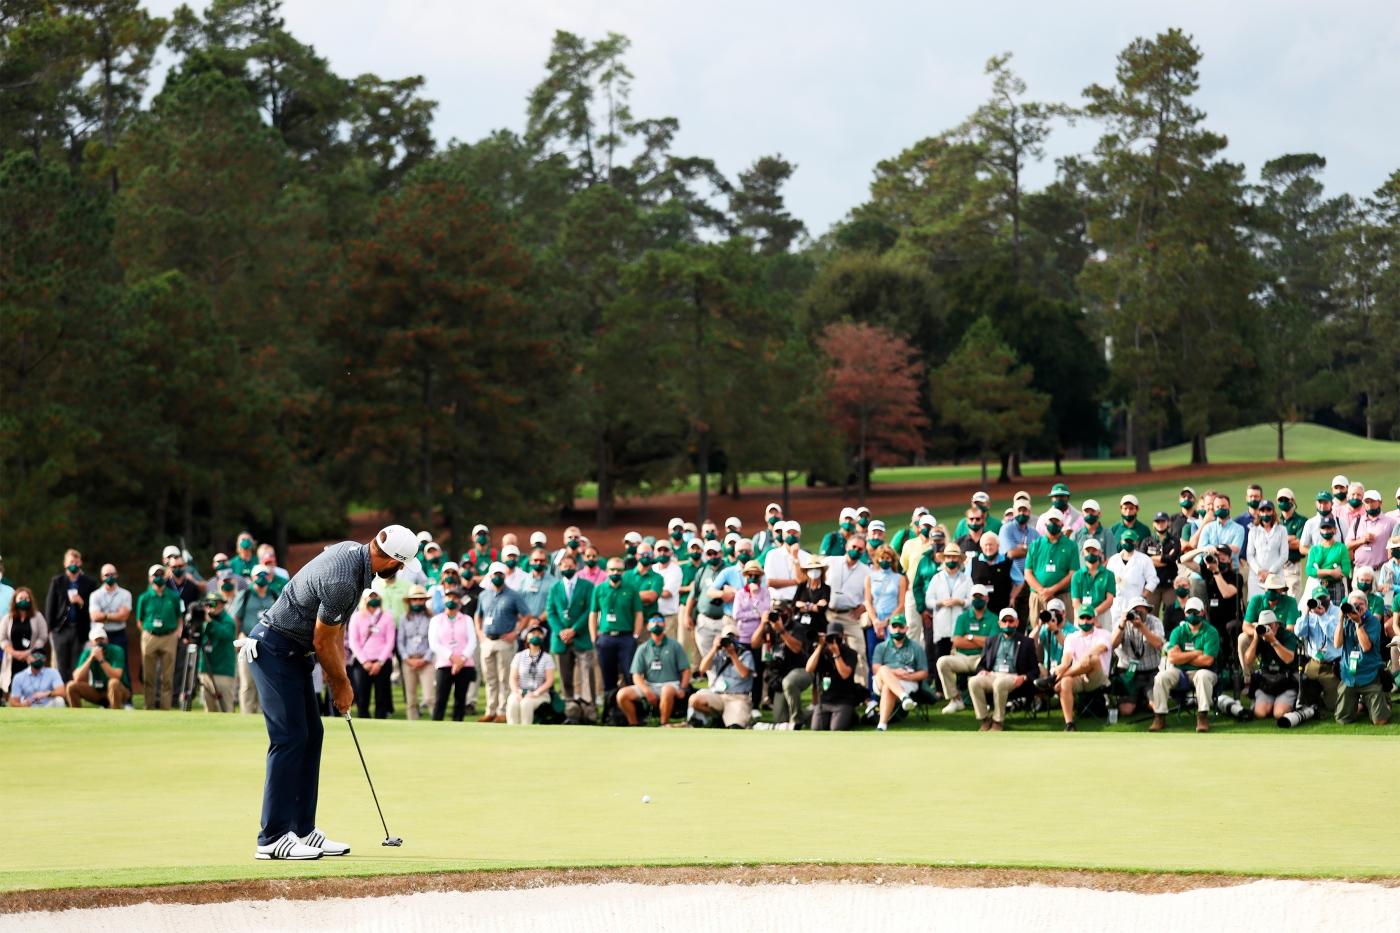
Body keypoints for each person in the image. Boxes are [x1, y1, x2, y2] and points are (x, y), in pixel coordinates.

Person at [242, 524, 413, 860]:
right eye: (402, 564)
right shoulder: (343, 580)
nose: (401, 571)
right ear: (392, 560)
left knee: (311, 735)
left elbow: (331, 634)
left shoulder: (353, 553)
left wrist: (341, 678)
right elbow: (323, 640)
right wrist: (342, 684)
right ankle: (273, 837)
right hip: (274, 650)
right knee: (289, 739)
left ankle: (302, 830)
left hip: (291, 652)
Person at [1150, 596, 1220, 733]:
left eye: (1195, 612)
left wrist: (1182, 656)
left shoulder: (1211, 632)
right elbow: (1171, 657)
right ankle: (1159, 716)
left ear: (1202, 612)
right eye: (1189, 612)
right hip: (1180, 672)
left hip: (1205, 671)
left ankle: (1202, 716)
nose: (1192, 615)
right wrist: (1195, 653)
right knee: (1161, 677)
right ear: (1185, 613)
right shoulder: (1178, 631)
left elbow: (1208, 661)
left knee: (1202, 675)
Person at [476, 561, 529, 723]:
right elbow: (478, 616)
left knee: (504, 678)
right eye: (495, 575)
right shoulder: (483, 595)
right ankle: (490, 710)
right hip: (487, 641)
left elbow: (526, 615)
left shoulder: (513, 595)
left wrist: (517, 632)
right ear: (490, 576)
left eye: (500, 574)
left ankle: (503, 710)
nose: (497, 577)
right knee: (490, 678)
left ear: (504, 576)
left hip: (505, 641)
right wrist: (480, 634)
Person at [969, 608, 1037, 731]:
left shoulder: (1026, 642)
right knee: (973, 682)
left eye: (1011, 621)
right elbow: (981, 664)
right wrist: (982, 671)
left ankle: (997, 721)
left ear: (1016, 623)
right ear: (1000, 623)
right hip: (993, 674)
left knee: (1000, 683)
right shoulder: (991, 641)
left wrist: (1024, 677)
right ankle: (984, 719)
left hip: (1013, 676)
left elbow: (1034, 669)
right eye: (1004, 621)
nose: (1007, 624)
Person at [618, 615, 691, 726]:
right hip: (650, 685)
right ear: (648, 626)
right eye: (653, 621)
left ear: (664, 624)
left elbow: (686, 670)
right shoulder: (643, 648)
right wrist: (646, 690)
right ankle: (634, 725)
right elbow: (636, 675)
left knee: (667, 690)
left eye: (659, 621)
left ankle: (663, 723)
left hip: (671, 685)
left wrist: (683, 688)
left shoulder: (675, 646)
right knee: (622, 694)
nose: (656, 623)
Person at [548, 551, 597, 714]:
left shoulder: (587, 586)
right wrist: (560, 631)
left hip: (581, 637)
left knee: (586, 675)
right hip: (561, 639)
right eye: (564, 566)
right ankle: (570, 710)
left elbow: (590, 610)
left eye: (570, 566)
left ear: (576, 566)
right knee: (565, 677)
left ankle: (589, 709)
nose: (567, 568)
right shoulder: (554, 588)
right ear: (559, 567)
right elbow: (551, 612)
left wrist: (574, 630)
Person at [936, 579, 994, 714]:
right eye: (975, 597)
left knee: (988, 668)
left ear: (987, 598)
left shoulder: (993, 618)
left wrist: (969, 637)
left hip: (981, 657)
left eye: (981, 597)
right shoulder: (963, 617)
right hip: (962, 657)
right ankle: (955, 700)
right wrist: (979, 640)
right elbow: (957, 641)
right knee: (943, 662)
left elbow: (991, 643)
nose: (978, 599)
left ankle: (983, 703)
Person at [751, 606, 814, 729]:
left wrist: (781, 631)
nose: (778, 616)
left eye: (781, 612)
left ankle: (796, 722)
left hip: (801, 671)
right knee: (780, 718)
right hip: (781, 676)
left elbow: (797, 648)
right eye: (775, 613)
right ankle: (813, 715)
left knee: (789, 682)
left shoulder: (797, 628)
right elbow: (754, 644)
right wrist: (762, 624)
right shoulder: (769, 628)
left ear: (789, 613)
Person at [1053, 605, 1114, 731]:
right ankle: (1069, 724)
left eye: (1088, 618)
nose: (1085, 621)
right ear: (1078, 619)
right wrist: (1063, 666)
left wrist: (1088, 655)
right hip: (1078, 676)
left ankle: (1054, 679)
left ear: (1094, 619)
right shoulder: (1071, 637)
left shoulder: (1104, 634)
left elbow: (1101, 648)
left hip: (1098, 677)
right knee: (1066, 681)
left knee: (1093, 659)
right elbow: (1067, 658)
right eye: (1082, 618)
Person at [1334, 592, 1389, 725]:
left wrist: (1358, 623)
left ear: (1367, 606)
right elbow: (1337, 644)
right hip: (1350, 675)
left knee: (1380, 721)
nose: (1357, 607)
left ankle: (1384, 702)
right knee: (1343, 720)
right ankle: (1362, 704)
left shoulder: (1373, 621)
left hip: (1370, 674)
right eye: (1354, 604)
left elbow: (1366, 647)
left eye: (1361, 604)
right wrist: (1341, 618)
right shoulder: (1346, 620)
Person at [44, 549, 98, 682]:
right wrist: (51, 629)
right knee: (61, 666)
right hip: (61, 630)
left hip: (80, 630)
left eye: (76, 561)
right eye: (70, 562)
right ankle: (63, 698)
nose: (73, 564)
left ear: (80, 563)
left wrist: (81, 603)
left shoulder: (89, 582)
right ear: (65, 564)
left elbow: (93, 609)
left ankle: (72, 696)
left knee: (76, 665)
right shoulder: (57, 581)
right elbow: (50, 607)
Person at [926, 544, 972, 701]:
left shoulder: (966, 579)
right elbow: (928, 600)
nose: (951, 560)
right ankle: (941, 690)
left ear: (959, 560)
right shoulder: (936, 578)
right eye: (948, 557)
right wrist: (940, 603)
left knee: (960, 658)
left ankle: (962, 689)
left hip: (960, 624)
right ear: (944, 559)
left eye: (954, 557)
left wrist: (960, 602)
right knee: (941, 656)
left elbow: (971, 600)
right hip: (942, 623)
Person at [229, 568, 278, 715]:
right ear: (252, 577)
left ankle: (267, 715)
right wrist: (237, 637)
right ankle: (247, 715)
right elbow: (236, 618)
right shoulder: (246, 594)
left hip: (268, 644)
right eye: (258, 575)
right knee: (247, 683)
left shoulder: (274, 594)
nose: (262, 577)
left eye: (265, 574)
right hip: (247, 641)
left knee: (267, 683)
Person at [825, 534, 872, 685]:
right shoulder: (831, 562)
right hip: (829, 614)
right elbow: (811, 572)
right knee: (824, 651)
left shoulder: (866, 572)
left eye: (860, 549)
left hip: (850, 616)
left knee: (859, 652)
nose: (856, 550)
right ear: (847, 547)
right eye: (853, 547)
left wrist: (862, 608)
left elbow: (873, 596)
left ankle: (861, 692)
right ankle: (825, 691)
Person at [688, 624, 754, 728]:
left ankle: (724, 720)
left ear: (737, 639)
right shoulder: (718, 654)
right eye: (727, 638)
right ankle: (715, 718)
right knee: (694, 700)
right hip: (716, 695)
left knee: (736, 726)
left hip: (737, 697)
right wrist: (714, 648)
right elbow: (702, 669)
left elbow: (744, 673)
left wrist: (733, 655)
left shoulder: (745, 654)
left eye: (732, 638)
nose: (729, 641)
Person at [869, 616, 929, 731]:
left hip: (908, 681)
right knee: (883, 669)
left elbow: (924, 673)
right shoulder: (881, 647)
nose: (897, 630)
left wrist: (909, 676)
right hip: (880, 680)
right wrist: (894, 672)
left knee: (888, 687)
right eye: (894, 626)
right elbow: (876, 669)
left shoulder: (916, 647)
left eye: (901, 626)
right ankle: (904, 697)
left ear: (906, 628)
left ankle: (882, 725)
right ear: (889, 628)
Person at [137, 564, 183, 710]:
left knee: (167, 677)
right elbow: (139, 620)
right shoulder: (144, 597)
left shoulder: (173, 596)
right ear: (150, 578)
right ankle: (148, 706)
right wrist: (146, 633)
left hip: (169, 637)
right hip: (150, 636)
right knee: (149, 676)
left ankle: (165, 708)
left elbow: (179, 618)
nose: (158, 577)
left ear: (165, 577)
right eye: (155, 575)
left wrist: (177, 633)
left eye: (161, 574)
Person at [428, 588, 477, 722]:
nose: (452, 600)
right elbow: (434, 643)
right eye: (449, 597)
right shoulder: (436, 620)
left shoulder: (467, 619)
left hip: (464, 664)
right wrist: (452, 657)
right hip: (444, 664)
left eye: (455, 598)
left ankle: (458, 726)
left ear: (460, 601)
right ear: (444, 600)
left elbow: (472, 642)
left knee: (460, 699)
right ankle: (436, 726)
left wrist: (461, 660)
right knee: (441, 698)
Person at [347, 589, 397, 720]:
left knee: (382, 696)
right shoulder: (357, 617)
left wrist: (379, 662)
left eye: (376, 596)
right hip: (363, 663)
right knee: (362, 697)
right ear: (364, 600)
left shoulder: (387, 616)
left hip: (383, 662)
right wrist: (365, 662)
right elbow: (353, 641)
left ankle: (381, 721)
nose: (373, 599)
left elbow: (390, 641)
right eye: (370, 597)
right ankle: (364, 721)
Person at [1112, 596, 1164, 719]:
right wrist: (1121, 625)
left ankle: (1144, 700)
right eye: (1135, 611)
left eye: (1141, 611)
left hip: (1150, 672)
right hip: (1128, 672)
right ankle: (1138, 699)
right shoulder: (1122, 622)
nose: (1138, 614)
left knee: (1156, 707)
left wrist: (1142, 627)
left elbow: (1158, 644)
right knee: (1126, 711)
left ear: (1147, 610)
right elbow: (1112, 645)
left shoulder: (1154, 622)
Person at [1242, 609, 1299, 721]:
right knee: (1260, 713)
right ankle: (1269, 703)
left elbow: (1288, 659)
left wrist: (1273, 641)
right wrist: (1255, 638)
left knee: (1279, 714)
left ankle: (1284, 704)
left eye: (1270, 625)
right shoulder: (1260, 637)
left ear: (1276, 625)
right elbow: (1247, 661)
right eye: (1263, 626)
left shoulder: (1287, 636)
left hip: (1286, 681)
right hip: (1267, 682)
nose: (1267, 628)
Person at [1024, 508, 1078, 626]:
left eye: (1056, 521)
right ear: (1045, 523)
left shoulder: (1070, 545)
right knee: (1038, 630)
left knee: (1064, 631)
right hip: (1038, 596)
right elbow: (1028, 573)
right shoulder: (1035, 545)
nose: (1053, 524)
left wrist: (1052, 590)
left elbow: (1073, 573)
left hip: (1062, 596)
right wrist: (1042, 591)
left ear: (1062, 524)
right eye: (1051, 521)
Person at [1295, 586, 1343, 716]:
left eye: (1323, 599)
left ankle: (1324, 699)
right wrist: (1305, 613)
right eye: (1317, 600)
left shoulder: (1338, 612)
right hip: (1313, 663)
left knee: (1335, 705)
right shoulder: (1309, 613)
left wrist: (1323, 616)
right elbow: (1299, 633)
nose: (1320, 602)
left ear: (1328, 598)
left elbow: (1334, 637)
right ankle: (1315, 702)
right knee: (1302, 697)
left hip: (1332, 666)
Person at [806, 621, 861, 730]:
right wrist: (820, 646)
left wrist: (836, 654)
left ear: (843, 636)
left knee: (836, 729)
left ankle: (852, 716)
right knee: (817, 729)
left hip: (843, 700)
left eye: (837, 637)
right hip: (824, 701)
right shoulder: (821, 652)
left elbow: (845, 674)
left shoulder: (850, 653)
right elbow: (809, 669)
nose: (834, 641)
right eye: (831, 637)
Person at [732, 560, 771, 706]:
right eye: (750, 575)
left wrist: (755, 597)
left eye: (756, 575)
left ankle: (755, 702)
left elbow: (766, 612)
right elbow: (737, 614)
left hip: (759, 637)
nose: (753, 577)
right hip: (743, 636)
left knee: (758, 671)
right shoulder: (740, 594)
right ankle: (741, 700)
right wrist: (756, 614)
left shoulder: (764, 592)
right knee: (742, 670)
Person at [65, 625, 130, 708]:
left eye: (102, 639)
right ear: (91, 642)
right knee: (71, 686)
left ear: (107, 640)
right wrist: (90, 659)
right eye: (97, 640)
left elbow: (116, 676)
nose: (100, 642)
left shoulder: (117, 651)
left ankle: (115, 713)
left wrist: (101, 660)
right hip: (96, 690)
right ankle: (77, 715)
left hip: (118, 690)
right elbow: (77, 677)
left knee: (113, 683)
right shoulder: (87, 653)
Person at [396, 584, 435, 721]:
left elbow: (434, 640)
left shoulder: (432, 618)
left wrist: (425, 659)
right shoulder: (404, 618)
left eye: (420, 599)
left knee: (429, 698)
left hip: (427, 661)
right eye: (415, 600)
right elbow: (400, 641)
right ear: (410, 602)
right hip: (409, 661)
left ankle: (436, 726)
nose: (418, 602)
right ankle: (412, 726)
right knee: (411, 699)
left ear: (424, 601)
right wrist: (407, 658)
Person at [686, 541, 730, 664]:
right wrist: (687, 615)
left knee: (725, 654)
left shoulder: (729, 570)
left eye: (714, 553)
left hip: (724, 619)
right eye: (709, 554)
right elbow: (693, 595)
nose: (712, 556)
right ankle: (712, 681)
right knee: (706, 655)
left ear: (720, 553)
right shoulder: (702, 571)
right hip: (704, 619)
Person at [0, 587, 47, 700]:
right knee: (11, 690)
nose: (24, 600)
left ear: (31, 600)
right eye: (21, 598)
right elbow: (2, 638)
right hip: (12, 659)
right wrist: (13, 652)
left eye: (26, 598)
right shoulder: (8, 618)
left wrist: (29, 652)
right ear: (15, 600)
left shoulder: (37, 616)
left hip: (31, 658)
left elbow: (43, 636)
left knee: (29, 689)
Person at [506, 623, 556, 725]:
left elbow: (549, 681)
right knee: (513, 703)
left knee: (526, 704)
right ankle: (511, 734)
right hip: (520, 691)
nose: (536, 635)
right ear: (526, 637)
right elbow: (513, 678)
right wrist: (517, 692)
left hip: (540, 694)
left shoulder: (547, 658)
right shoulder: (519, 656)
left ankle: (525, 733)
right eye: (533, 633)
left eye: (539, 633)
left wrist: (535, 693)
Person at [864, 545, 908, 659]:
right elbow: (868, 601)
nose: (884, 560)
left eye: (887, 558)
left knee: (892, 655)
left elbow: (901, 604)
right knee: (873, 655)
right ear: (877, 559)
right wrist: (875, 621)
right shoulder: (870, 577)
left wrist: (887, 621)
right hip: (875, 619)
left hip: (893, 620)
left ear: (892, 559)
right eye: (882, 557)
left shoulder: (899, 578)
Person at [197, 592, 238, 713]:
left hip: (222, 671)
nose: (209, 607)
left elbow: (225, 635)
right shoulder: (203, 621)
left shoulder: (228, 621)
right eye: (207, 604)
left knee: (225, 708)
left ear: (221, 605)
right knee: (209, 708)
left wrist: (210, 622)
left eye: (213, 604)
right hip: (205, 668)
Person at [1105, 531, 1155, 626]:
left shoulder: (1144, 560)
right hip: (1116, 604)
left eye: (1131, 541)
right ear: (1121, 542)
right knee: (1115, 631)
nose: (1128, 543)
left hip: (1135, 603)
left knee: (1135, 631)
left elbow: (1153, 580)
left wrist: (1143, 596)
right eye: (1126, 541)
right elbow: (1107, 581)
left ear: (1136, 542)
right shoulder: (1113, 560)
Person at [1346, 489, 1398, 577]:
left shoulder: (1390, 522)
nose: (1370, 504)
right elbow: (1348, 545)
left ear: (1380, 502)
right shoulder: (1357, 521)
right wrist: (1362, 540)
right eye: (1367, 502)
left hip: (1381, 571)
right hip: (1360, 570)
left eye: (1373, 501)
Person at [88, 565, 133, 657]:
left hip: (119, 635)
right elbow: (94, 617)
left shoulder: (125, 594)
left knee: (121, 664)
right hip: (100, 635)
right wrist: (116, 615)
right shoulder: (95, 595)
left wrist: (103, 615)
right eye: (107, 575)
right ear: (101, 577)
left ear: (117, 575)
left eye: (112, 574)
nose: (110, 577)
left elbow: (124, 617)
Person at [1069, 539, 1115, 629]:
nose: (1091, 553)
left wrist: (1094, 613)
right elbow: (1075, 602)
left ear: (1100, 553)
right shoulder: (1077, 575)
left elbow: (1109, 600)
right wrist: (1088, 615)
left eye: (1094, 550)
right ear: (1083, 553)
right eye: (1088, 551)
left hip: (1102, 615)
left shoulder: (1108, 574)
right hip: (1082, 615)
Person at [1306, 516, 1352, 603]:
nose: (1326, 531)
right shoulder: (1314, 549)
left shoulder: (1341, 548)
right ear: (1320, 531)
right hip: (1318, 585)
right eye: (1323, 528)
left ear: (1335, 530)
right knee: (1318, 611)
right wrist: (1331, 572)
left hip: (1336, 585)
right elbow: (1309, 571)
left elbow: (1346, 570)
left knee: (1337, 612)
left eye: (1329, 528)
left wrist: (1319, 571)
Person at [1144, 512, 1181, 613]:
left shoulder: (1175, 540)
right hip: (1152, 586)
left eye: (1163, 521)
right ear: (1153, 524)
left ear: (1168, 523)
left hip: (1169, 585)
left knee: (1172, 614)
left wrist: (1152, 558)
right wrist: (1165, 559)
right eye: (1157, 521)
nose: (1160, 524)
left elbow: (1172, 559)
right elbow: (1143, 560)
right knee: (1149, 616)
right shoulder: (1147, 541)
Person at [970, 532, 1013, 615]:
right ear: (981, 547)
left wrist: (1013, 597)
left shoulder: (1007, 562)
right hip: (979, 607)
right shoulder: (973, 562)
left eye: (991, 545)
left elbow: (1019, 581)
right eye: (986, 545)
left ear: (998, 546)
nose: (988, 547)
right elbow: (967, 582)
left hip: (1001, 606)